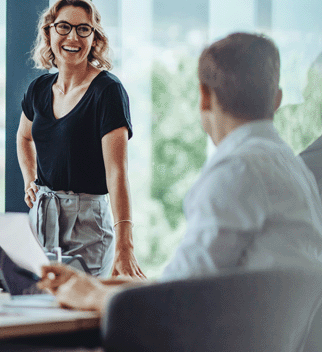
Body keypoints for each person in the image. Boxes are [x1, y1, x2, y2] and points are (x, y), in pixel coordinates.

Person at [39, 32, 322, 312]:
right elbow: (186, 282)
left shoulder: (236, 171)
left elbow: (177, 301)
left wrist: (92, 297)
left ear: (204, 98)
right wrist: (97, 285)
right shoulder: (295, 170)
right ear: (277, 99)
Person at [17, 0, 144, 278]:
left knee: (80, 313)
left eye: (83, 29)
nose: (72, 37)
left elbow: (117, 172)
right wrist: (29, 180)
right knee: (36, 308)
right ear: (49, 33)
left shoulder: (107, 91)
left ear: (94, 38)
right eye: (63, 27)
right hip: (41, 216)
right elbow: (24, 137)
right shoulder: (38, 89)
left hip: (87, 223)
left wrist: (126, 245)